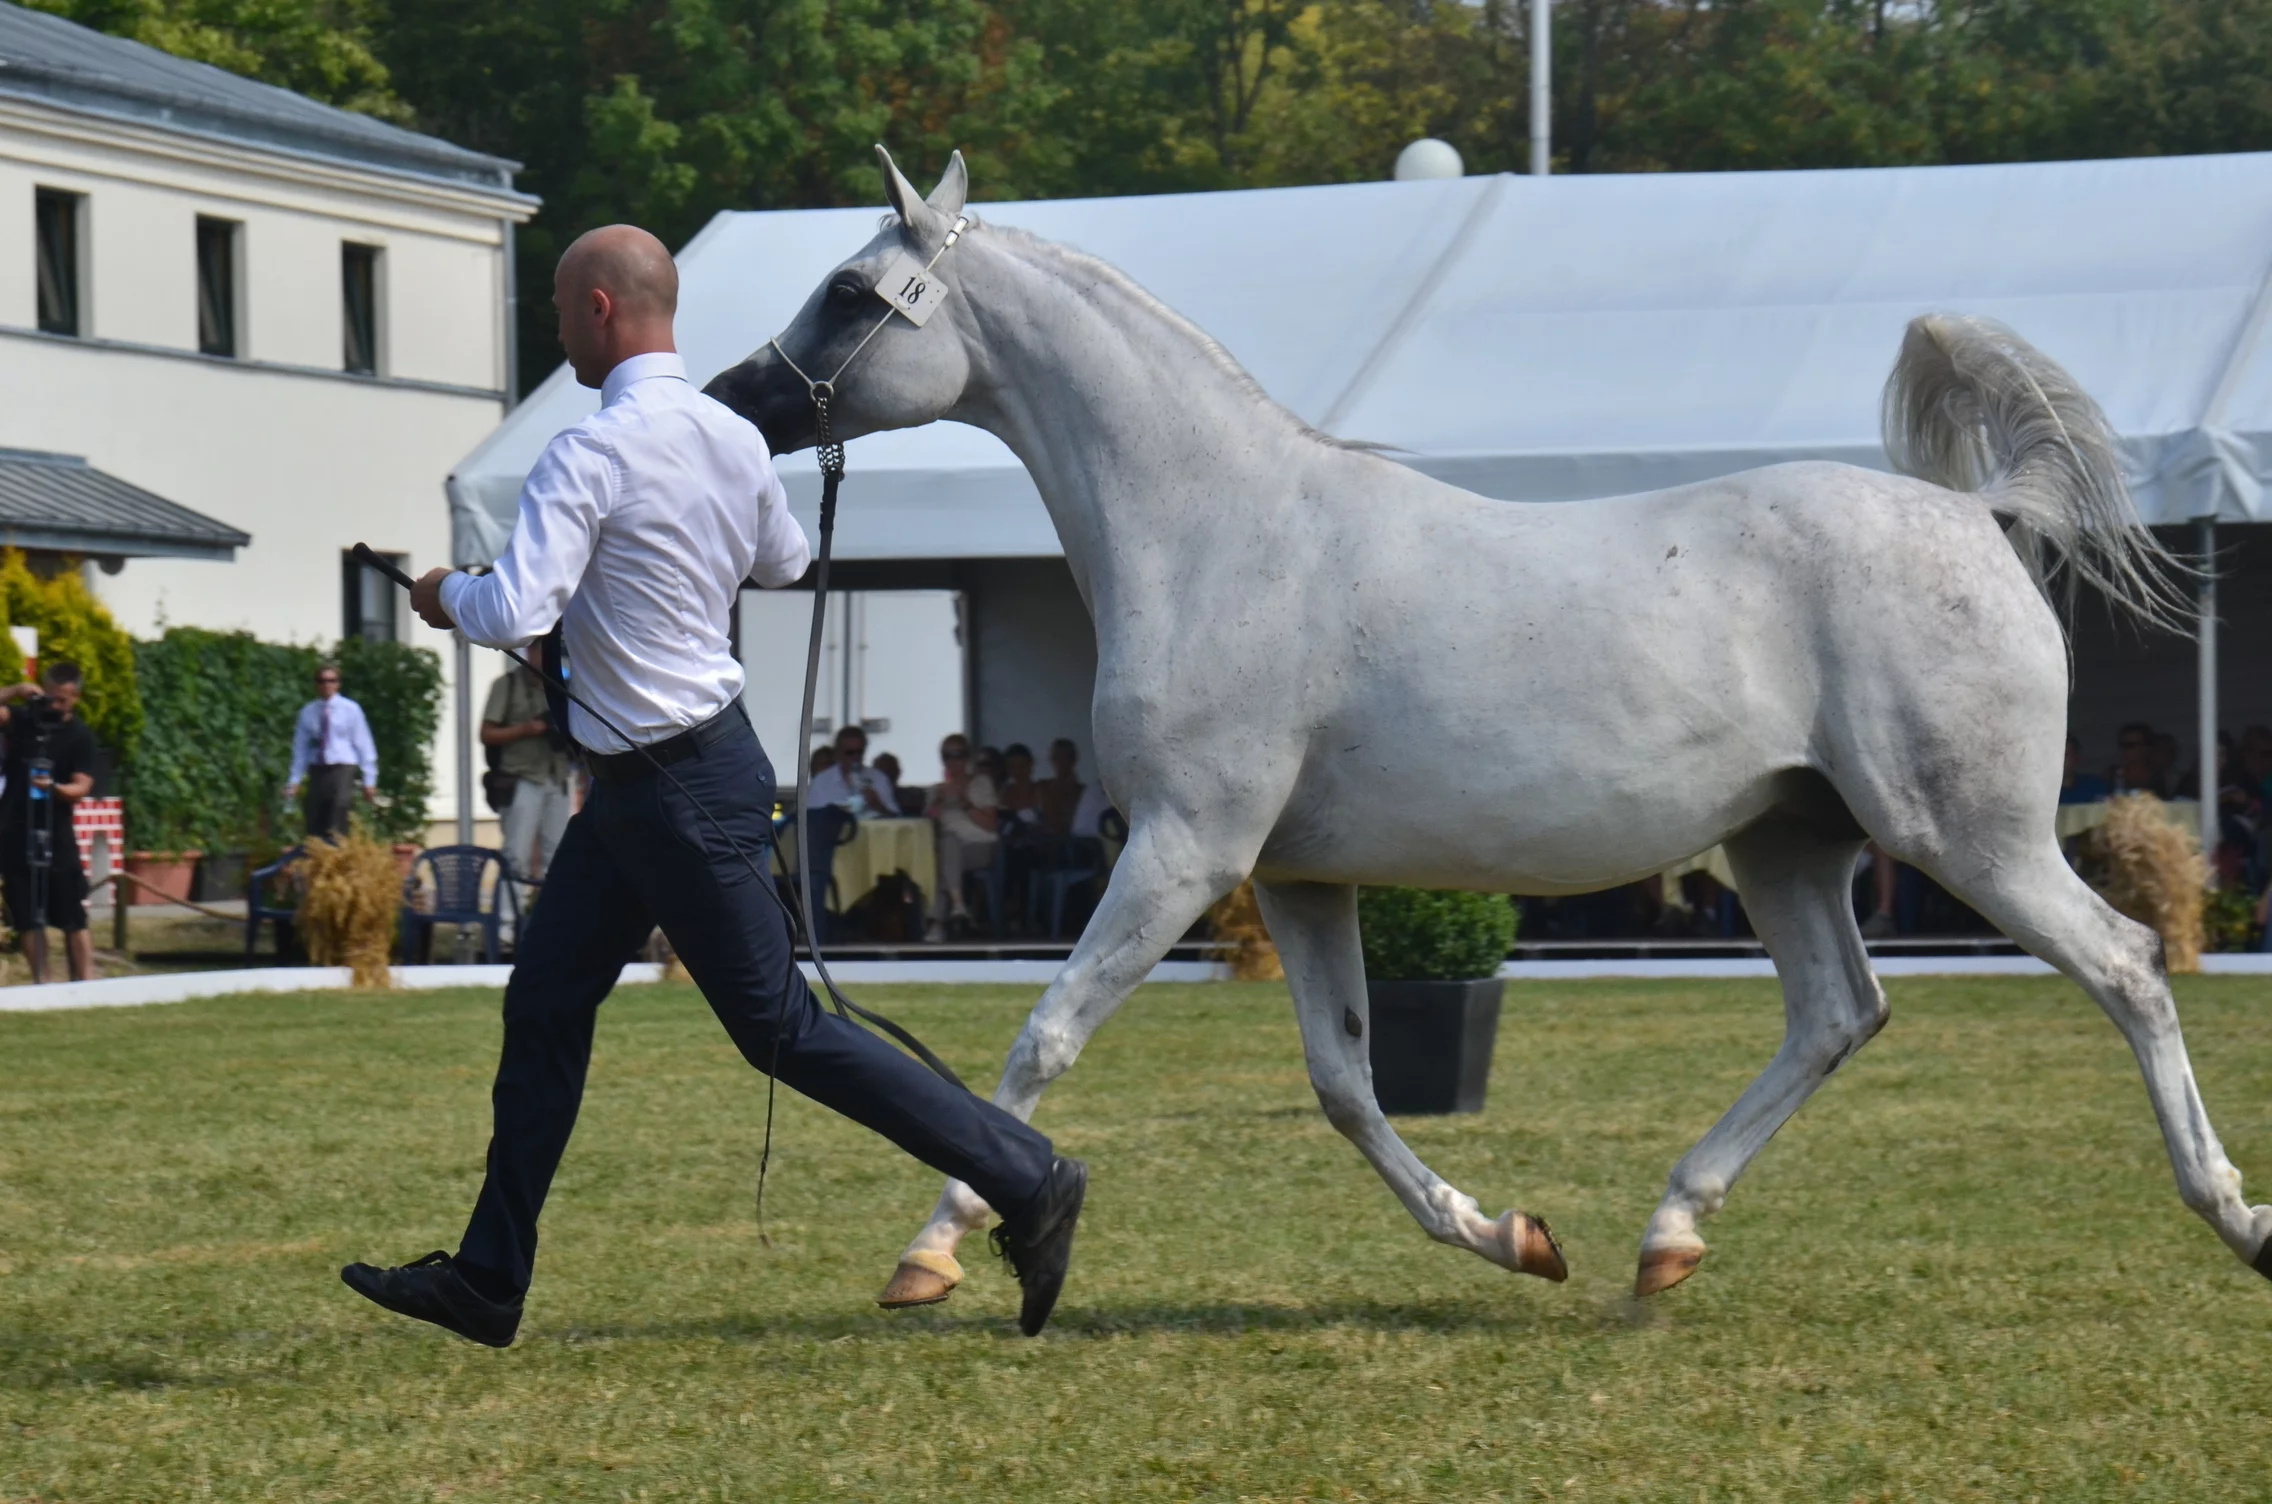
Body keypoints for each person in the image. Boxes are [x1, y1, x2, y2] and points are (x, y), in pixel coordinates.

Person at [344, 223, 1082, 1347]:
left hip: (668, 785)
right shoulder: (728, 437)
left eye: (557, 305)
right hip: (669, 776)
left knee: (782, 1026)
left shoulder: (588, 454)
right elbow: (781, 561)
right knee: (544, 1001)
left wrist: (447, 589)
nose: (554, 324)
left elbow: (515, 612)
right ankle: (488, 1279)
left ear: (598, 310)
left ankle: (1025, 1177)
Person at [0, 662, 97, 983]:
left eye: (62, 701)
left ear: (76, 698)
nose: (54, 706)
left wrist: (54, 789)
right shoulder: (24, 720)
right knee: (29, 918)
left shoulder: (80, 736)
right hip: (15, 828)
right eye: (50, 698)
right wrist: (15, 691)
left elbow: (82, 785)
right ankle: (43, 985)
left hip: (56, 832)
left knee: (73, 915)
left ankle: (84, 984)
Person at [481, 643, 575, 923]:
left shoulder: (561, 686)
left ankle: (552, 926)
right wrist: (526, 729)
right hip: (522, 777)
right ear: (528, 652)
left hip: (557, 777)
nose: (544, 657)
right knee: (516, 856)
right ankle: (507, 929)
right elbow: (487, 733)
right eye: (538, 650)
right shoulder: (507, 685)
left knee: (557, 859)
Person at [286, 664, 378, 839]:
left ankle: (339, 854)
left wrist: (369, 780)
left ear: (338, 684)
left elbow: (364, 744)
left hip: (342, 766)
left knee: (339, 809)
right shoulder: (308, 712)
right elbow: (300, 748)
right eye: (322, 681)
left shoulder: (351, 709)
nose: (326, 685)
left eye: (331, 680)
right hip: (318, 767)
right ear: (316, 684)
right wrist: (294, 780)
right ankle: (318, 857)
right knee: (315, 814)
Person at [925, 733, 998, 941]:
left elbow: (991, 825)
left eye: (959, 755)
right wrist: (938, 803)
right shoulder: (935, 790)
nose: (954, 761)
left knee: (947, 855)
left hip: (980, 845)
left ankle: (939, 922)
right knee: (948, 845)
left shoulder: (982, 783)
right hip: (949, 847)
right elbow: (928, 825)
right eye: (948, 756)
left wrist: (964, 802)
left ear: (968, 757)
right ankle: (958, 908)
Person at [807, 724, 897, 813]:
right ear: (838, 753)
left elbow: (897, 821)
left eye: (859, 752)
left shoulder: (879, 778)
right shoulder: (821, 782)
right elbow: (810, 820)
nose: (855, 757)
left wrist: (878, 805)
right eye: (850, 752)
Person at [1036, 738, 1084, 837]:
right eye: (1056, 757)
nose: (1060, 761)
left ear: (1073, 759)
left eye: (1064, 757)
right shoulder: (1043, 787)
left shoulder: (1083, 792)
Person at [2060, 734, 2110, 805]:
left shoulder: (2095, 787)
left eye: (2064, 755)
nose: (2058, 760)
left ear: (2076, 757)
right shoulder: (2041, 792)